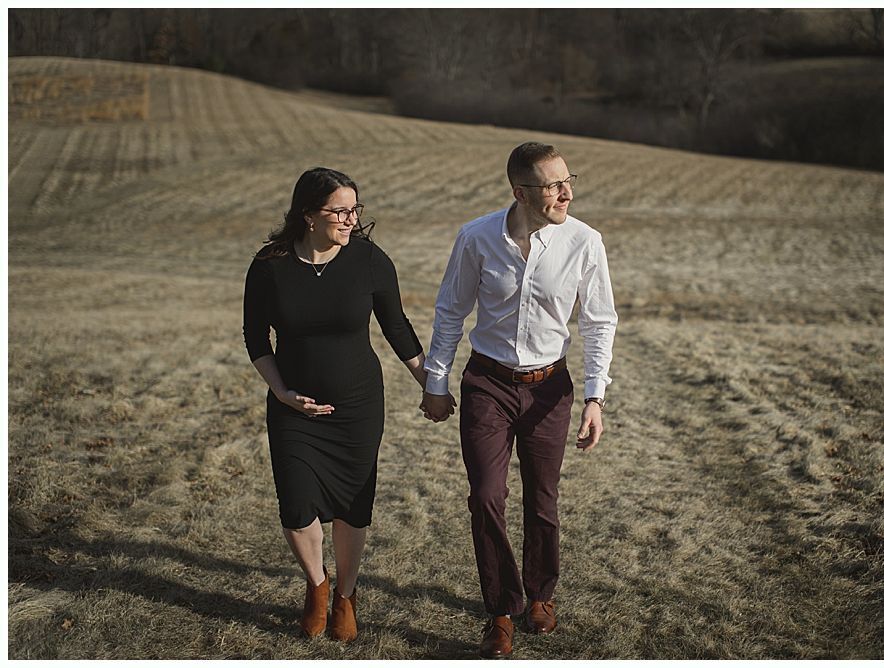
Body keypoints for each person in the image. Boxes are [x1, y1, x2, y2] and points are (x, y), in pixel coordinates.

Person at [421, 142, 618, 658]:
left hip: (550, 387)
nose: (566, 192)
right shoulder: (477, 237)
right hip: (487, 383)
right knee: (487, 496)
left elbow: (599, 322)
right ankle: (500, 611)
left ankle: (542, 596)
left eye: (567, 180)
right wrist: (435, 383)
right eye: (553, 185)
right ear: (520, 192)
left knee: (542, 499)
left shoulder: (584, 242)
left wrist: (595, 397)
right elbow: (450, 311)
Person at [242, 167, 444, 642]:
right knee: (295, 505)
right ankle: (317, 585)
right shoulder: (269, 266)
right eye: (340, 210)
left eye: (355, 209)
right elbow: (256, 338)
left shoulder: (369, 261)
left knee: (354, 507)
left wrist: (429, 383)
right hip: (294, 409)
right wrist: (281, 392)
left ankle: (346, 596)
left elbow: (397, 328)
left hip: (357, 407)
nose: (351, 219)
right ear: (309, 214)